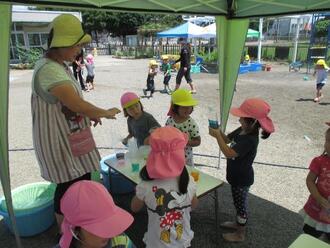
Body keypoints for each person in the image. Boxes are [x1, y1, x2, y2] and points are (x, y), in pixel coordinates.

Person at [31, 13, 121, 232]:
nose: (79, 50)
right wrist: (104, 112)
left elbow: (70, 105)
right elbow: (76, 104)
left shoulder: (58, 64)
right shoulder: (49, 70)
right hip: (59, 141)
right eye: (76, 45)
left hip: (69, 137)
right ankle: (66, 233)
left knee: (78, 181)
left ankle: (79, 223)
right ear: (62, 44)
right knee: (67, 186)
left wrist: (90, 115)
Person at [208, 98, 274, 242]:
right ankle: (237, 225)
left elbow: (228, 153)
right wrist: (217, 131)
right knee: (237, 203)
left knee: (241, 207)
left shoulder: (250, 140)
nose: (239, 121)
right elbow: (226, 140)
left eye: (242, 119)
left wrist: (218, 136)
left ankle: (240, 234)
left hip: (242, 179)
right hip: (235, 176)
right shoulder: (243, 130)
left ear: (253, 122)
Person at [131, 126, 198, 248]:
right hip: (183, 242)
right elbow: (193, 206)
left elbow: (134, 208)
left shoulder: (146, 185)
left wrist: (140, 193)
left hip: (156, 243)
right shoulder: (189, 181)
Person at [54, 180, 134, 248]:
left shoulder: (121, 242)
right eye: (100, 227)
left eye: (110, 223)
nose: (109, 232)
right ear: (75, 231)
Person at [300, 126, 330, 241]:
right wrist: (318, 197)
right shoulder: (319, 161)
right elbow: (310, 180)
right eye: (327, 140)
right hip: (316, 210)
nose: (328, 144)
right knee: (309, 237)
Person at [166, 89, 201, 166]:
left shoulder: (191, 124)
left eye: (189, 106)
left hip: (186, 158)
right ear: (175, 107)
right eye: (184, 107)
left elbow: (198, 141)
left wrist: (186, 142)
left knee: (186, 176)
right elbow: (165, 134)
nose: (188, 109)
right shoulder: (170, 120)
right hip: (172, 156)